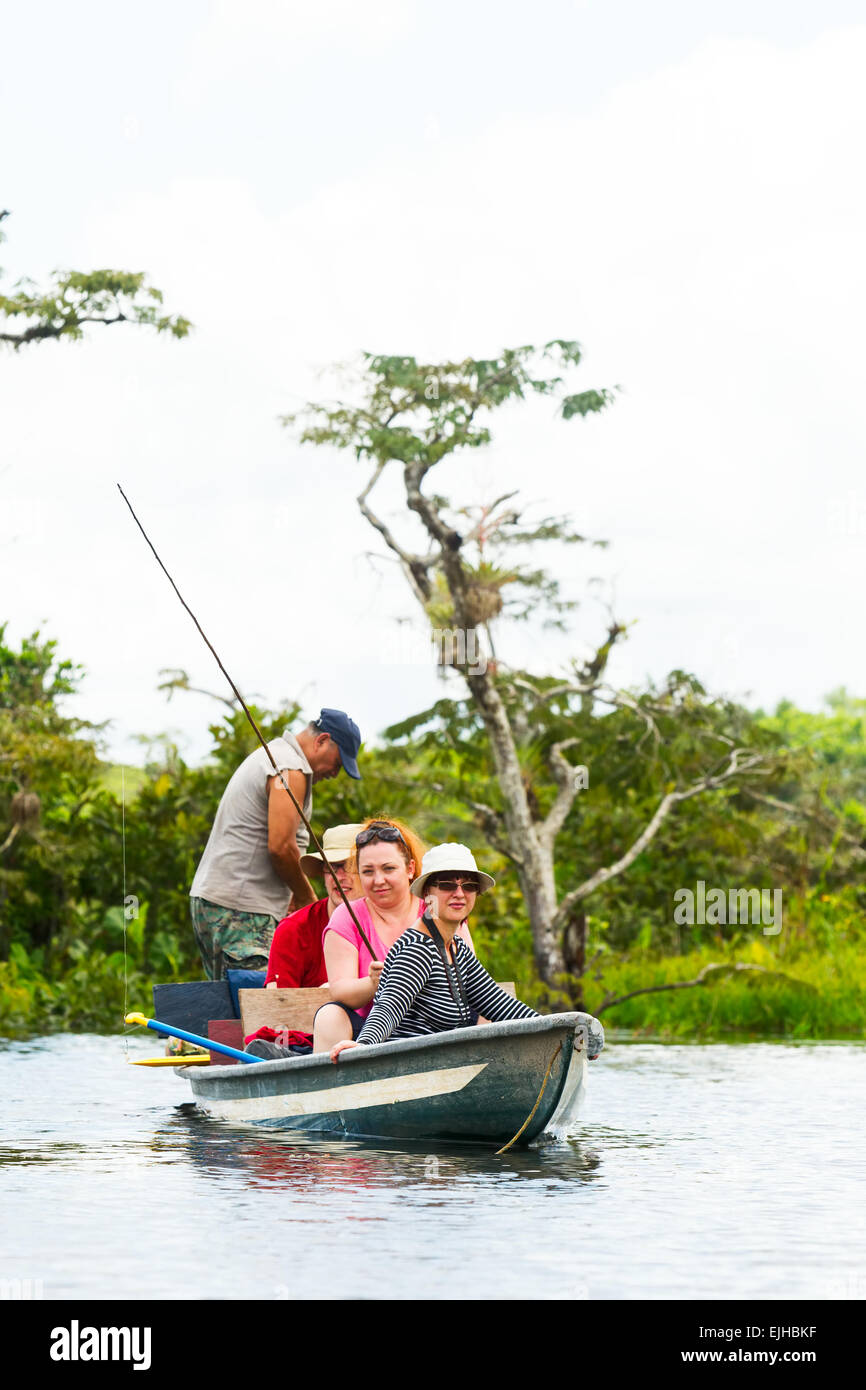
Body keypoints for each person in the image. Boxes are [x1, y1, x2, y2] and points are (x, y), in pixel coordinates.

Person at [189, 708, 361, 979]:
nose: (335, 774)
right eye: (338, 763)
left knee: (233, 1008)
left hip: (220, 902)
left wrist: (290, 894)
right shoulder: (290, 768)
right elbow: (281, 847)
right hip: (243, 911)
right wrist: (306, 898)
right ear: (322, 741)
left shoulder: (277, 755)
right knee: (261, 1007)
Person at [327, 842, 538, 1061]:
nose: (459, 893)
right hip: (407, 1067)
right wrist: (364, 1045)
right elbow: (389, 1007)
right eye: (447, 885)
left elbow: (502, 1006)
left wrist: (557, 1028)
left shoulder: (457, 949)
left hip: (446, 1065)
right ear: (427, 893)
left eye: (469, 886)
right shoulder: (417, 948)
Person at [312, 822, 476, 1054]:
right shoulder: (346, 915)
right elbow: (340, 991)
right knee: (329, 1015)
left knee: (486, 1014)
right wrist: (372, 983)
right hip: (369, 1030)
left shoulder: (439, 910)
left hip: (438, 1027)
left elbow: (471, 982)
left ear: (410, 869)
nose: (378, 880)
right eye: (368, 871)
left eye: (388, 869)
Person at [242, 823, 363, 1056]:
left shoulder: (394, 920)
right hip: (310, 1046)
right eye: (331, 868)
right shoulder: (294, 929)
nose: (339, 878)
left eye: (350, 867)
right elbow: (278, 1015)